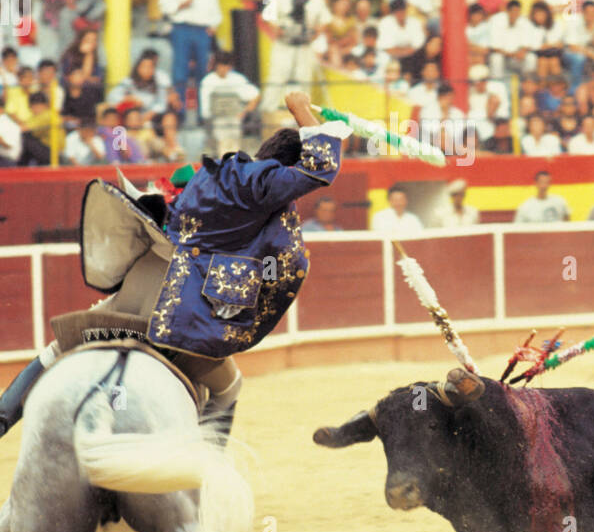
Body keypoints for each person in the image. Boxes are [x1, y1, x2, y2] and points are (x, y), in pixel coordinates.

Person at [0, 90, 350, 440]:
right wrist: (302, 110)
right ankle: (209, 465)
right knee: (229, 389)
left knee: (56, 350)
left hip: (141, 284)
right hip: (180, 309)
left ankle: (2, 418)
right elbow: (318, 169)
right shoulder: (263, 184)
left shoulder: (209, 174)